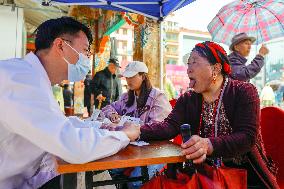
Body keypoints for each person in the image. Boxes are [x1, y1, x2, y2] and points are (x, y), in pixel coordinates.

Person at [0, 17, 140, 189]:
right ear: (60, 46)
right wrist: (124, 135)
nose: (87, 59)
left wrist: (98, 127)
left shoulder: (32, 77)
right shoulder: (22, 80)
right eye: (85, 51)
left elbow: (56, 123)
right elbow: (74, 147)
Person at [129, 41, 278, 188]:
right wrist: (136, 131)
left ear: (216, 68)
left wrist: (208, 145)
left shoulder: (244, 91)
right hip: (205, 176)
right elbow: (170, 126)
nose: (188, 70)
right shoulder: (189, 99)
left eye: (194, 62)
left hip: (247, 177)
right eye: (188, 64)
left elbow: (247, 137)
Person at [101, 61, 172, 188]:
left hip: (156, 150)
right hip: (133, 148)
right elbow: (108, 108)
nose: (128, 80)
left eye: (132, 76)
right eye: (127, 77)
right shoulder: (126, 97)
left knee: (135, 181)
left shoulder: (157, 97)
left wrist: (132, 129)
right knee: (113, 170)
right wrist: (112, 115)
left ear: (143, 76)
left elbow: (159, 128)